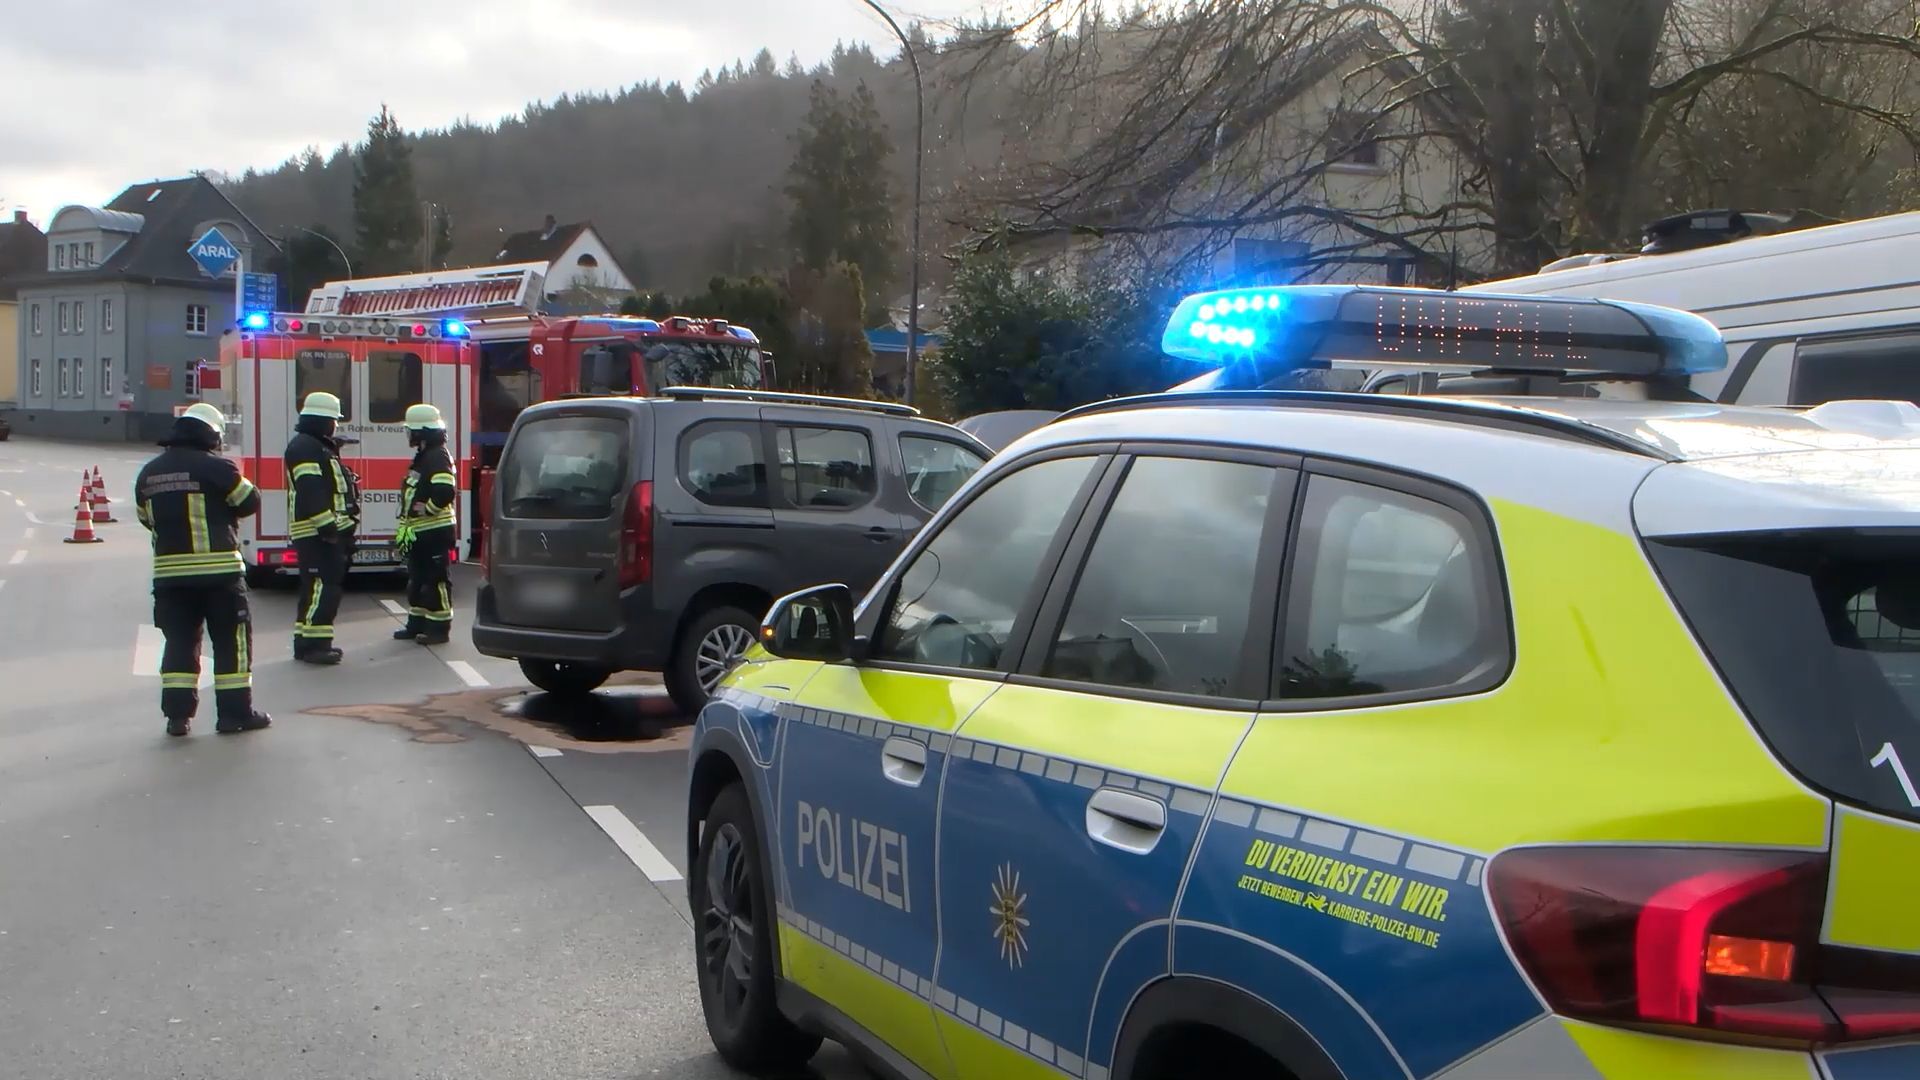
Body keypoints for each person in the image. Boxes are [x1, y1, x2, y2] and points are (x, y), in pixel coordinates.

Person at [134, 403, 272, 736]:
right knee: (231, 645)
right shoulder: (217, 467)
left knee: (179, 644)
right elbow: (249, 502)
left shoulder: (148, 473)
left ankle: (178, 718)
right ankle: (234, 715)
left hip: (170, 578)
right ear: (211, 434)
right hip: (220, 576)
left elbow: (145, 519)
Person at [285, 391, 360, 665]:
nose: (336, 426)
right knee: (322, 588)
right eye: (334, 421)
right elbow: (311, 490)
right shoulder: (306, 448)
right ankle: (316, 646)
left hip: (320, 532)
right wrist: (329, 529)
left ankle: (306, 643)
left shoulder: (313, 447)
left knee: (316, 589)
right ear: (323, 421)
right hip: (317, 533)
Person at [394, 403, 458, 645]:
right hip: (420, 532)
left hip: (434, 532)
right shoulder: (425, 456)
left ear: (421, 432)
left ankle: (439, 630)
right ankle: (417, 624)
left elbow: (445, 490)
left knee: (436, 581)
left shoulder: (437, 456)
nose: (408, 434)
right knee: (418, 580)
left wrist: (429, 509)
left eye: (410, 430)